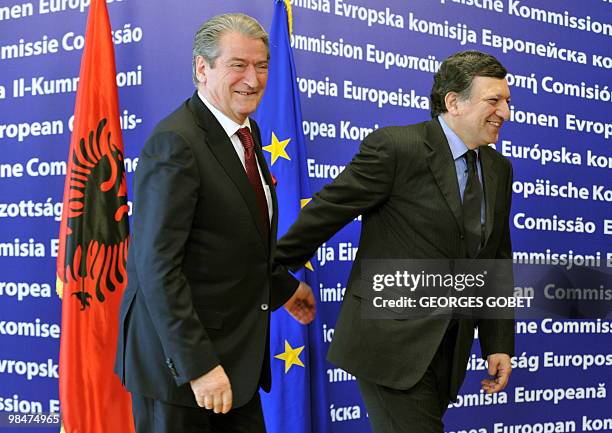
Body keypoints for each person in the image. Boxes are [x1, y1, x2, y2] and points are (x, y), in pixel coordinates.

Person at [275, 50, 514, 433]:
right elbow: (327, 211)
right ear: (454, 102)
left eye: (507, 101)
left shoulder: (499, 168)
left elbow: (496, 259)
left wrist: (498, 341)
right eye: (494, 100)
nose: (505, 112)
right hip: (389, 345)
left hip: (447, 351)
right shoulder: (397, 148)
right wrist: (275, 274)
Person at [114, 13, 315, 433]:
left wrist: (282, 287)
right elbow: (157, 267)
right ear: (202, 68)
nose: (253, 78)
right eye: (238, 65)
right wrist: (198, 366)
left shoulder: (247, 133)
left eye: (261, 66)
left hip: (234, 361)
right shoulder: (176, 143)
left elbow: (231, 237)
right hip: (181, 370)